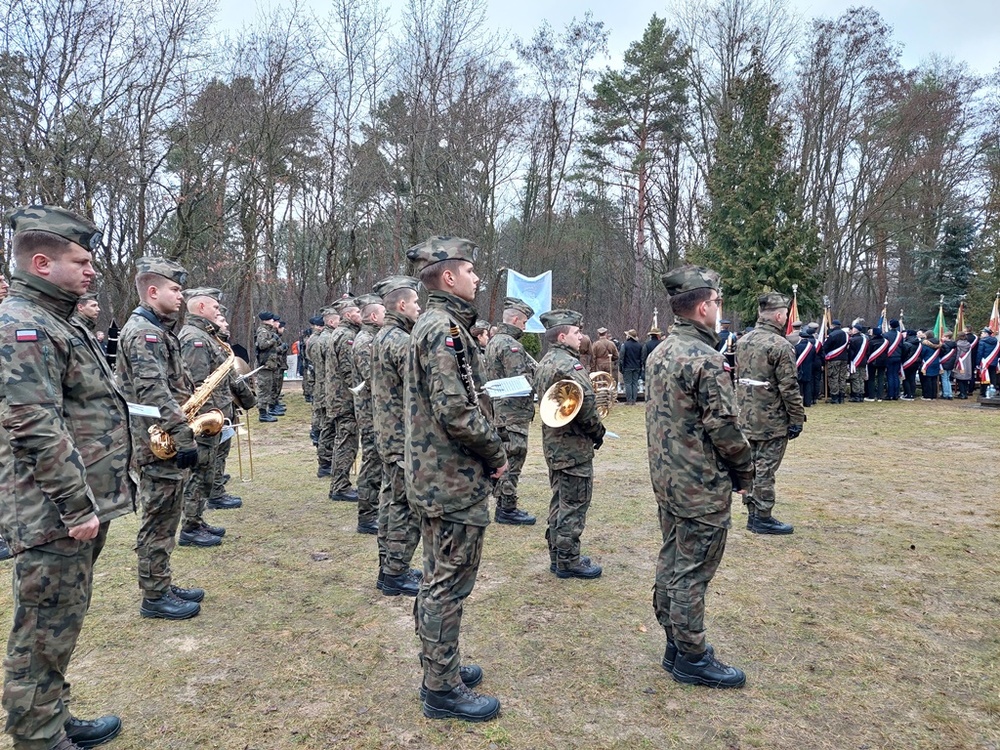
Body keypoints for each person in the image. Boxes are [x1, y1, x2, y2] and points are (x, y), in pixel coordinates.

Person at [0, 205, 135, 750]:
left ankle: (50, 715)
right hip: (54, 510)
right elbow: (34, 424)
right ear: (40, 262)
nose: (90, 270)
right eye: (79, 261)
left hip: (77, 503)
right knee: (42, 629)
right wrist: (78, 507)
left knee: (60, 623)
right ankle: (37, 737)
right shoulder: (23, 326)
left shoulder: (58, 320)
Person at [405, 236, 508, 722]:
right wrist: (495, 452)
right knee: (448, 582)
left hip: (438, 477)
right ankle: (441, 688)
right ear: (448, 276)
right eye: (470, 271)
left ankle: (440, 666)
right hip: (451, 479)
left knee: (437, 576)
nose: (476, 278)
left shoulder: (438, 325)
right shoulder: (443, 328)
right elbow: (456, 410)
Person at [646, 265, 753, 690]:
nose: (719, 313)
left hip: (669, 479)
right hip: (700, 484)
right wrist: (745, 471)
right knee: (692, 570)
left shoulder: (661, 351)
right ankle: (691, 655)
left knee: (673, 559)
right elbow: (724, 427)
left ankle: (675, 643)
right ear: (706, 306)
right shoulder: (705, 359)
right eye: (718, 305)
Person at [117, 256, 204, 621]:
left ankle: (162, 582)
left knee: (167, 517)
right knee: (158, 518)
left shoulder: (158, 329)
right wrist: (184, 434)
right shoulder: (143, 333)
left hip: (162, 437)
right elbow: (154, 391)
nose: (180, 295)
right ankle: (154, 596)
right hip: (156, 442)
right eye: (175, 289)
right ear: (152, 292)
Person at [534, 309, 606, 580]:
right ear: (562, 336)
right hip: (573, 447)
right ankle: (568, 561)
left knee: (560, 500)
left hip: (555, 446)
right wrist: (598, 432)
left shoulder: (545, 362)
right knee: (574, 503)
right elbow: (587, 406)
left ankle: (558, 554)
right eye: (576, 332)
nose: (581, 337)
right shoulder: (569, 366)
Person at [736, 292, 804, 535]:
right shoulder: (780, 345)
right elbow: (789, 387)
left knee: (750, 466)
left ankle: (753, 513)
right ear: (778, 315)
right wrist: (796, 418)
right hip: (771, 419)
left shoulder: (743, 341)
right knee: (765, 469)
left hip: (746, 416)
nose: (786, 318)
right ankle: (761, 517)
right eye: (785, 314)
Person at [371, 275, 423, 597]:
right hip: (403, 437)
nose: (419, 308)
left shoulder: (382, 336)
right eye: (416, 302)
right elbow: (420, 388)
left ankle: (389, 568)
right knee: (405, 506)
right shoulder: (401, 341)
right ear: (402, 305)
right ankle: (395, 574)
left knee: (391, 502)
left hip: (388, 435)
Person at [176, 287, 230, 549]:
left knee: (206, 473)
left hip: (212, 414)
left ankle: (196, 520)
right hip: (204, 419)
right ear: (201, 309)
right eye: (215, 308)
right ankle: (190, 527)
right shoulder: (194, 338)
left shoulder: (205, 336)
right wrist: (208, 420)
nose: (219, 313)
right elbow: (197, 385)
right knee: (199, 474)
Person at [483, 297, 538, 526]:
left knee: (505, 454)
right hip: (513, 412)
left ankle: (503, 502)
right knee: (514, 456)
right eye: (524, 322)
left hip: (499, 410)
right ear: (515, 320)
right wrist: (538, 375)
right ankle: (507, 507)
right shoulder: (511, 345)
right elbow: (520, 380)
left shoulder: (495, 341)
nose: (525, 328)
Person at [350, 293, 385, 535]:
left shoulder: (373, 338)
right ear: (374, 316)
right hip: (370, 411)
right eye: (384, 312)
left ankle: (374, 510)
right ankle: (367, 515)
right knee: (372, 462)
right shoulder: (364, 342)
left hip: (377, 410)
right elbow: (372, 378)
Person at [326, 296, 361, 502]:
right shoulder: (346, 335)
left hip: (341, 397)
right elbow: (350, 371)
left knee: (345, 440)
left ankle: (339, 484)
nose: (361, 315)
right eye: (357, 312)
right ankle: (340, 486)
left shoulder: (342, 333)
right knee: (346, 442)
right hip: (344, 398)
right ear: (348, 315)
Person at [312, 307, 339, 476]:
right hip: (325, 389)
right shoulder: (326, 339)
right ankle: (325, 463)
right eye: (339, 320)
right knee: (327, 428)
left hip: (323, 387)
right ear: (330, 322)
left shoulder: (322, 338)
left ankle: (326, 462)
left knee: (327, 427)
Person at [254, 312, 281, 422]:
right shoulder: (263, 331)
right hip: (264, 365)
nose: (272, 321)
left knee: (268, 389)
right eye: (270, 320)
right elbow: (262, 345)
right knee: (264, 390)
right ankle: (263, 414)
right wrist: (273, 340)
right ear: (266, 320)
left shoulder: (268, 331)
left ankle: (266, 411)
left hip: (269, 365)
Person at [824, 320, 849, 403]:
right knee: (842, 378)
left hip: (834, 359)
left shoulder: (832, 335)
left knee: (833, 377)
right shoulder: (846, 334)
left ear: (833, 326)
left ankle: (835, 397)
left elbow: (826, 347)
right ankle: (841, 396)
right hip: (844, 358)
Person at [619, 329, 644, 405]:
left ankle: (629, 400)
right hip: (637, 367)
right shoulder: (640, 345)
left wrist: (621, 367)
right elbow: (642, 357)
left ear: (629, 336)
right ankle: (634, 400)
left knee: (628, 384)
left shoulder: (625, 345)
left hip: (627, 367)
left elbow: (621, 357)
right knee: (635, 383)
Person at [795, 323, 817, 407]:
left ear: (800, 337)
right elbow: (814, 358)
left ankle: (799, 402)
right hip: (809, 368)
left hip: (799, 368)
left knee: (799, 386)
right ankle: (808, 402)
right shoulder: (812, 347)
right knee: (808, 386)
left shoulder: (797, 347)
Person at [847, 320, 869, 402]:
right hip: (863, 361)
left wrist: (850, 361)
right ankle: (861, 394)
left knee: (855, 378)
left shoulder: (853, 340)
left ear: (855, 330)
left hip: (855, 361)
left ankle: (856, 395)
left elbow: (851, 352)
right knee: (861, 378)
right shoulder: (865, 339)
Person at [883, 319, 904, 400]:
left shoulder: (886, 335)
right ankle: (896, 394)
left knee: (890, 376)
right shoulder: (900, 335)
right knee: (896, 375)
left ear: (890, 325)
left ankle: (890, 394)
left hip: (889, 357)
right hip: (898, 356)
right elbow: (902, 346)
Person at [865, 326, 887, 401]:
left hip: (872, 361)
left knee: (871, 378)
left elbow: (868, 352)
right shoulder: (885, 341)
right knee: (880, 379)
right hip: (883, 362)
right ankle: (880, 396)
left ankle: (871, 396)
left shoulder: (871, 342)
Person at [919, 333, 941, 400]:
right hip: (936, 362)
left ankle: (927, 395)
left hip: (927, 363)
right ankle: (934, 395)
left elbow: (922, 353)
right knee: (934, 379)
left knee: (927, 379)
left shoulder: (925, 345)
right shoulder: (938, 345)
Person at [955, 332, 974, 398]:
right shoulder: (968, 344)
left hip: (960, 363)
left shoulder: (958, 344)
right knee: (965, 379)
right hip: (967, 363)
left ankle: (962, 393)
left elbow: (957, 355)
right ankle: (965, 393)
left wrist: (955, 363)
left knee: (960, 379)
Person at [939, 331, 956, 399]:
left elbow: (941, 354)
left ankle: (946, 394)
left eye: (943, 336)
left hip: (944, 363)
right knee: (947, 379)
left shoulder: (944, 345)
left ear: (947, 337)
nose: (942, 338)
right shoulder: (954, 345)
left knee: (944, 379)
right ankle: (950, 394)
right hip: (950, 364)